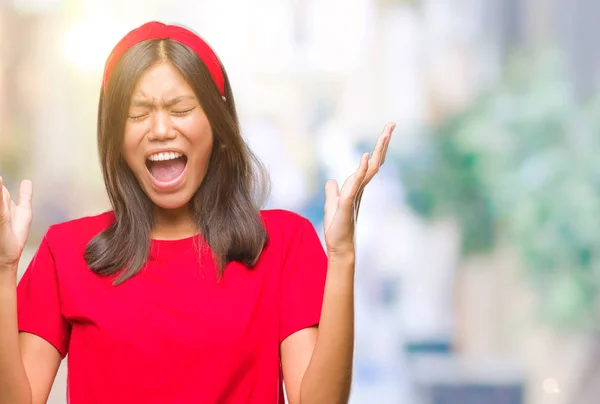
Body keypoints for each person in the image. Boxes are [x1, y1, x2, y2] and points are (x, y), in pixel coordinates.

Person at [0, 21, 394, 404]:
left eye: (181, 108)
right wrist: (4, 270)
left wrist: (342, 254)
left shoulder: (284, 245)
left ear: (217, 123)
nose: (159, 129)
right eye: (137, 114)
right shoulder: (66, 252)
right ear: (115, 135)